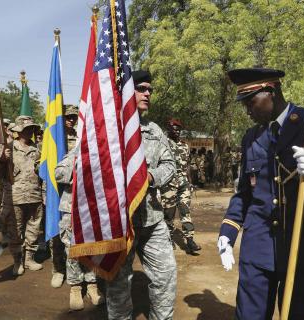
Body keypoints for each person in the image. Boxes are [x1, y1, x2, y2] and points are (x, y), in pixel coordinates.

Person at [217, 68, 304, 319]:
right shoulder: (251, 137)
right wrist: (228, 231)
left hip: (303, 246)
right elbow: (244, 194)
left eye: (251, 102)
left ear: (271, 91)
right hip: (258, 246)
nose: (247, 111)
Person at [105, 70, 177, 320]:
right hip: (121, 220)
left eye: (150, 90)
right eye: (141, 89)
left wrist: (150, 176)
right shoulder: (110, 130)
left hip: (152, 218)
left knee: (166, 276)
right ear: (126, 92)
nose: (148, 93)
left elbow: (170, 165)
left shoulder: (155, 130)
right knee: (118, 282)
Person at [55, 146, 104, 310]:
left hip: (94, 209)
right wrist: (77, 166)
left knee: (93, 250)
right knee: (73, 250)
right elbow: (58, 174)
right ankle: (75, 287)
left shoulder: (104, 152)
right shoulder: (75, 152)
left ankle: (92, 284)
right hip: (73, 209)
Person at [0, 116, 44, 276]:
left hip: (34, 196)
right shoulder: (9, 147)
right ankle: (18, 261)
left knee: (33, 229)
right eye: (26, 129)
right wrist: (3, 161)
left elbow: (41, 173)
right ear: (18, 131)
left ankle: (29, 258)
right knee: (15, 230)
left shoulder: (37, 149)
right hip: (16, 197)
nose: (29, 131)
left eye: (31, 128)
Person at [50, 104, 80, 289]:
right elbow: (42, 166)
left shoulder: (79, 137)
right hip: (54, 190)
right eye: (68, 117)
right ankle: (58, 269)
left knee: (73, 235)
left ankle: (79, 274)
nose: (71, 120)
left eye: (74, 117)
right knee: (56, 233)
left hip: (73, 193)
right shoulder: (52, 137)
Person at [161, 118, 202, 253]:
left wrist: (190, 182)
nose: (176, 131)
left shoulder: (185, 146)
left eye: (178, 129)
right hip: (168, 183)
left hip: (183, 183)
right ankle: (168, 239)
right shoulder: (163, 143)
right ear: (168, 129)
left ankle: (190, 241)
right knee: (169, 214)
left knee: (185, 211)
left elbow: (187, 165)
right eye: (173, 129)